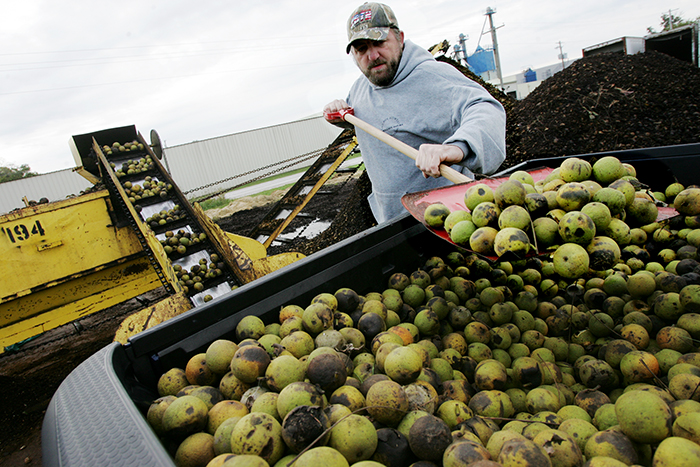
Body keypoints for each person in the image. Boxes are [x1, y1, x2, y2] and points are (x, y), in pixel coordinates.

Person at [324, 2, 506, 223]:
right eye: (362, 49)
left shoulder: (433, 76)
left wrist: (457, 147)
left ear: (399, 38)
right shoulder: (360, 89)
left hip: (450, 220)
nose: (372, 56)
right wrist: (340, 115)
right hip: (393, 220)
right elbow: (370, 120)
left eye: (379, 42)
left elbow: (486, 108)